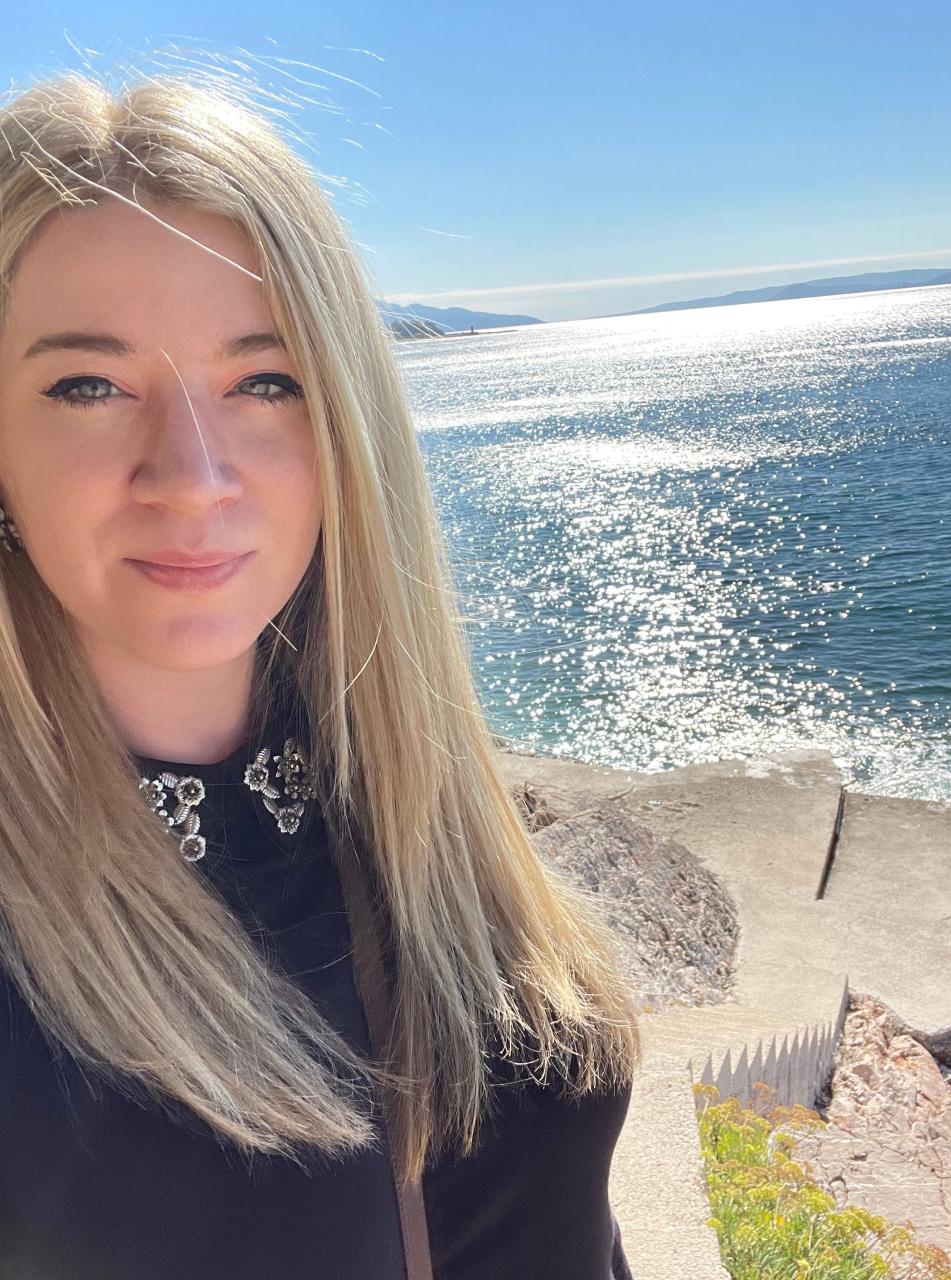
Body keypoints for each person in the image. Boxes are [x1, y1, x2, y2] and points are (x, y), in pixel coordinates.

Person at [0, 65, 644, 1279]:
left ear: (341, 416)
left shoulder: (402, 775)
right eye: (87, 384)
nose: (190, 473)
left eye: (264, 379)